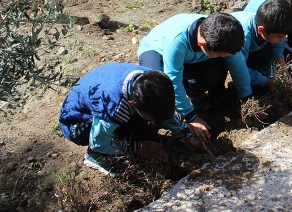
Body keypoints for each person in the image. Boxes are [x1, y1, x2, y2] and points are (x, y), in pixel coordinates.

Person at [58, 64, 203, 176]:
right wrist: (138, 147)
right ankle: (95, 156)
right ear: (134, 104)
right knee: (129, 160)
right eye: (151, 116)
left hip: (106, 110)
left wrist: (186, 134)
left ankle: (128, 134)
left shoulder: (152, 81)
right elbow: (99, 142)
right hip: (78, 124)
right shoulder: (116, 107)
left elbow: (164, 109)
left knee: (149, 135)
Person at [137, 13, 245, 142]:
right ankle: (161, 120)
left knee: (212, 73)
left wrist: (246, 96)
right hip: (156, 51)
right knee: (157, 89)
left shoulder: (223, 36)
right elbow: (173, 80)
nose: (224, 56)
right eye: (220, 54)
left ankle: (194, 95)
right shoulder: (176, 41)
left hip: (189, 58)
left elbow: (238, 66)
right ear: (202, 44)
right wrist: (190, 117)